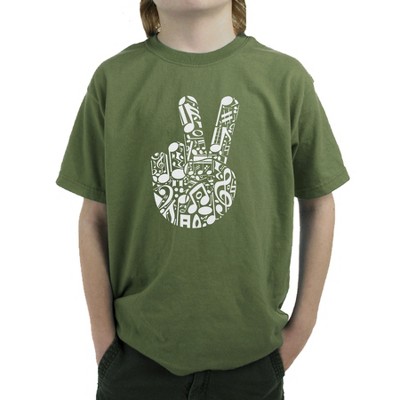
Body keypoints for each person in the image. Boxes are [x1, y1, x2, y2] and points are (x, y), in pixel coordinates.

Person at [55, 0, 350, 399]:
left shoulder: (285, 80)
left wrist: (302, 327)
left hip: (253, 364)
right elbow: (94, 217)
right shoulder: (115, 80)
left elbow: (318, 202)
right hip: (137, 361)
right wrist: (105, 346)